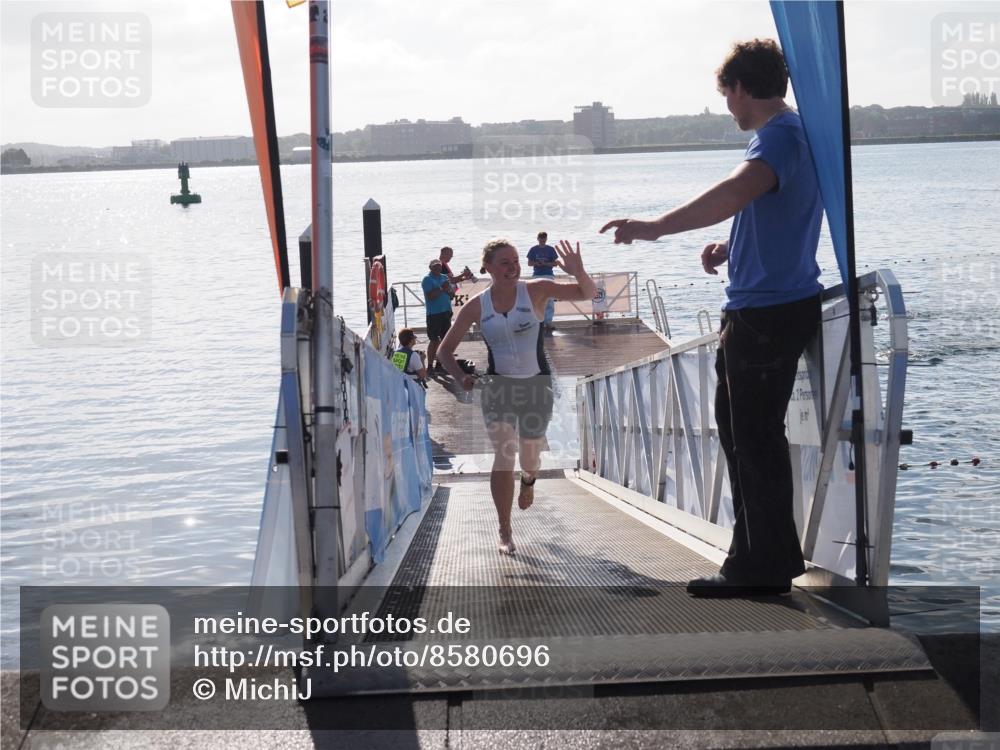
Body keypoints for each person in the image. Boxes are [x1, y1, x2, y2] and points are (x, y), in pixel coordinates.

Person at [600, 38, 822, 598]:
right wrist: (732, 246)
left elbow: (736, 190)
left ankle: (761, 568)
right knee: (744, 434)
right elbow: (771, 208)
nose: (728, 106)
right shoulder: (794, 136)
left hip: (766, 313)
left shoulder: (778, 137)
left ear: (742, 89)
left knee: (753, 439)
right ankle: (759, 558)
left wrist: (652, 227)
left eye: (727, 94)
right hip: (768, 304)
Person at [438, 238, 597, 555]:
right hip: (498, 387)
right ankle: (504, 529)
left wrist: (578, 271)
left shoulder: (536, 290)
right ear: (489, 268)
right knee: (504, 453)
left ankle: (529, 480)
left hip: (536, 386)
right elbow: (444, 351)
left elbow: (587, 294)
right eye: (504, 263)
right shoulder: (476, 306)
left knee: (529, 457)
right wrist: (461, 377)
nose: (512, 268)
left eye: (515, 261)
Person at [422, 258, 455, 373]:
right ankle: (430, 366)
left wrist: (449, 290)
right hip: (434, 314)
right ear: (430, 268)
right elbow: (431, 296)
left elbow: (451, 295)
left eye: (439, 266)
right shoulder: (427, 279)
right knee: (434, 340)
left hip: (446, 312)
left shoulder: (444, 277)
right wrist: (442, 288)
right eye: (435, 266)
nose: (437, 268)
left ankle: (439, 364)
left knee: (444, 339)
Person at [526, 231, 559, 328]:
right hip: (537, 275)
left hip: (548, 275)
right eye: (541, 240)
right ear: (538, 239)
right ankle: (538, 322)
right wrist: (537, 263)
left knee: (550, 300)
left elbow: (556, 263)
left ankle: (548, 322)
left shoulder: (551, 249)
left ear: (546, 239)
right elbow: (529, 263)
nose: (542, 242)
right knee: (536, 299)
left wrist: (546, 264)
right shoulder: (533, 249)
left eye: (544, 240)